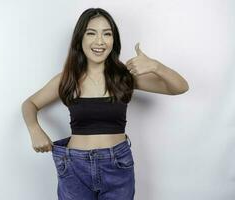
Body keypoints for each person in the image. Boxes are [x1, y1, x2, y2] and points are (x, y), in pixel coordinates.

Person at [21, 7, 189, 200]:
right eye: (91, 33)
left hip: (117, 166)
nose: (99, 41)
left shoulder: (124, 77)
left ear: (113, 40)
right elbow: (30, 104)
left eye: (107, 34)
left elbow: (180, 87)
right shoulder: (67, 79)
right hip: (74, 167)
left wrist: (155, 66)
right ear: (80, 39)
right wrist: (34, 129)